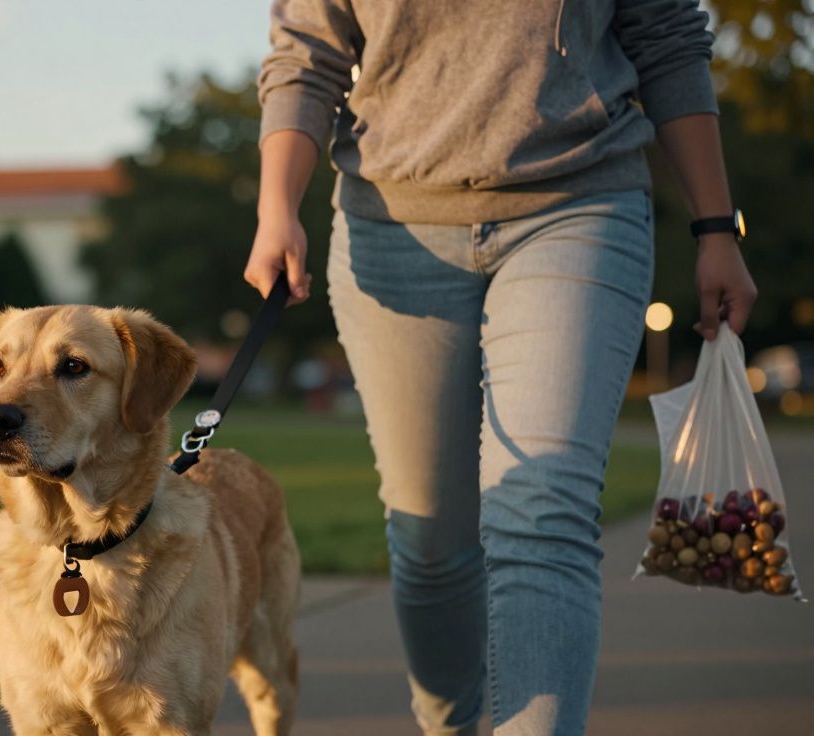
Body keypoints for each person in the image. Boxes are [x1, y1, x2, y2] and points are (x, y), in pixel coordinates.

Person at [244, 1, 756, 734]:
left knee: (542, 509)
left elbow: (668, 38)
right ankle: (449, 723)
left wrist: (716, 227)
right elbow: (306, 53)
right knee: (429, 542)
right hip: (394, 225)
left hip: (579, 202)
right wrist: (276, 208)